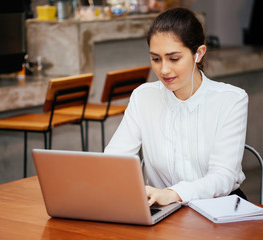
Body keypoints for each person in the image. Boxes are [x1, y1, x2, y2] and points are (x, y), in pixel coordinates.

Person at [104, 8, 248, 206]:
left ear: (198, 53)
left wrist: (173, 194)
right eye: (156, 59)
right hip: (163, 211)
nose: (163, 69)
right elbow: (114, 160)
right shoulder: (144, 97)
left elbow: (223, 176)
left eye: (174, 59)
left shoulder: (231, 100)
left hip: (219, 209)